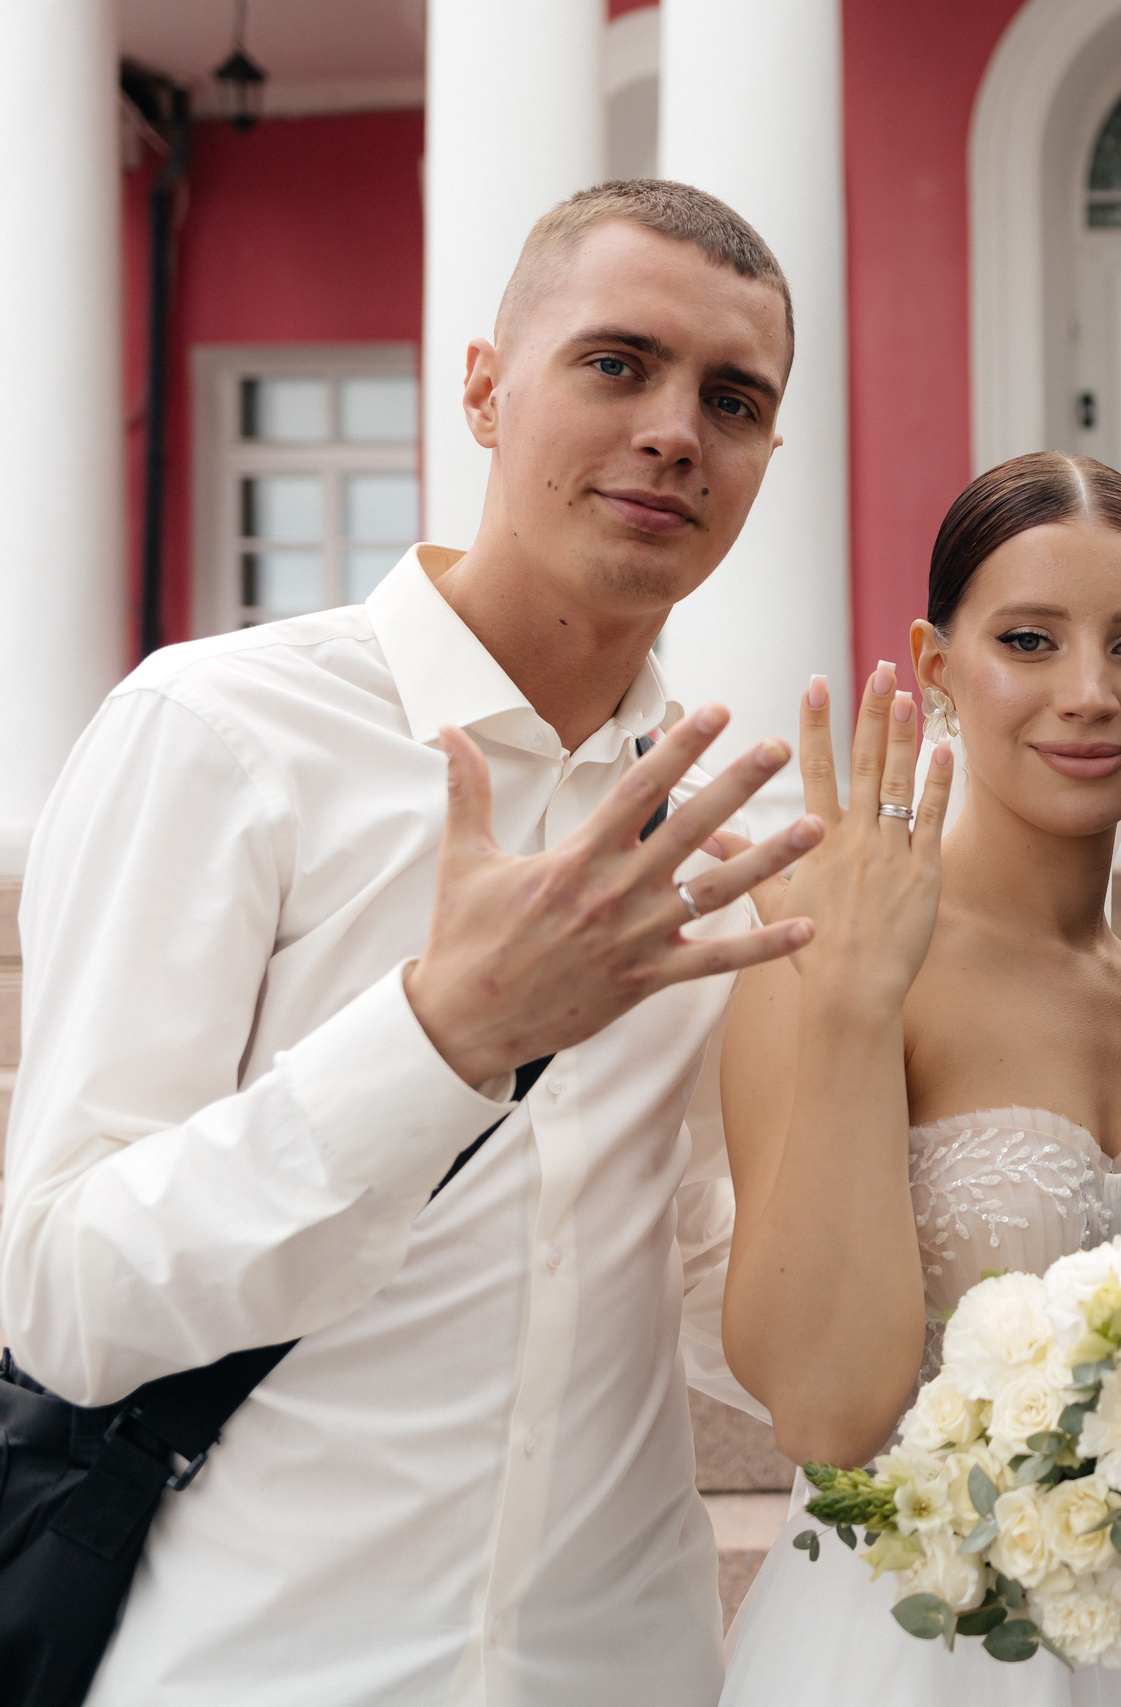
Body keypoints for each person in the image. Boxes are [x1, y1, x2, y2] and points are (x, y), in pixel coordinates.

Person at [1, 181, 822, 1705]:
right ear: (485, 387)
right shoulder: (220, 730)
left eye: (734, 398)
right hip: (256, 1666)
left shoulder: (715, 844)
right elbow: (61, 1290)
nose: (672, 430)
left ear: (769, 456)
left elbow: (721, 1284)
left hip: (618, 1666)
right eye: (615, 363)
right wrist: (440, 1036)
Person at [716, 452, 1121, 1706]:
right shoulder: (833, 948)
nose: (1089, 695)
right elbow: (825, 1418)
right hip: (907, 1656)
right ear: (939, 670)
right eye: (1030, 642)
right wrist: (850, 1008)